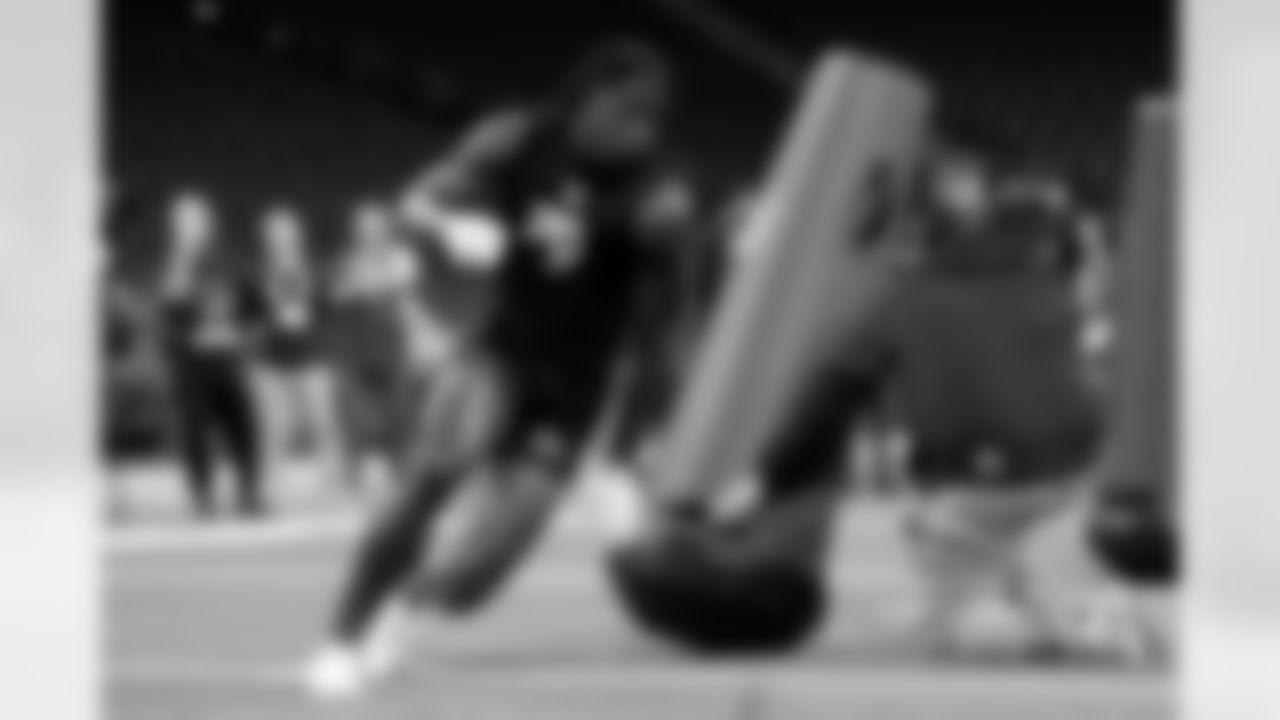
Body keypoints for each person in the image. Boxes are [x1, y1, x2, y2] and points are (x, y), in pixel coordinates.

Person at [304, 39, 696, 699]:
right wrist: (449, 225)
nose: (644, 131)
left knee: (485, 568)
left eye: (655, 117)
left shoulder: (660, 195)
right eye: (630, 112)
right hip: (504, 353)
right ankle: (342, 638)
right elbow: (416, 200)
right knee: (434, 472)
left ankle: (406, 611)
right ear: (586, 99)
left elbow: (671, 328)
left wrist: (632, 445)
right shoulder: (517, 137)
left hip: (578, 385)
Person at [158, 191, 264, 518]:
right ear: (175, 227)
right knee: (195, 434)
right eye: (184, 222)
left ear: (209, 225)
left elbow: (256, 309)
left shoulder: (231, 264)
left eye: (197, 221)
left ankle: (248, 495)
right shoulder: (170, 268)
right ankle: (202, 498)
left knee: (243, 429)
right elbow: (168, 318)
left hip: (229, 362)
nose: (192, 228)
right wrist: (188, 342)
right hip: (191, 368)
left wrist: (243, 338)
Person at [250, 206, 344, 494]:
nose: (282, 239)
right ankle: (268, 488)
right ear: (266, 238)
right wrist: (267, 319)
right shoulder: (256, 272)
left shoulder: (317, 271)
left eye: (287, 233)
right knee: (274, 427)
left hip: (313, 356)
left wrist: (310, 316)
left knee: (324, 422)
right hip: (271, 359)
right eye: (275, 234)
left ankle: (334, 485)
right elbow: (247, 316)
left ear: (298, 235)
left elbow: (331, 311)